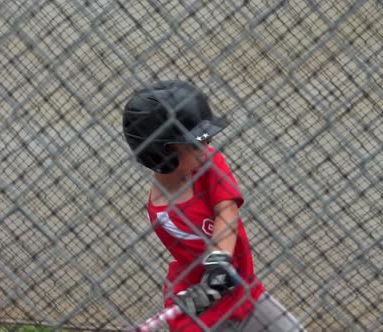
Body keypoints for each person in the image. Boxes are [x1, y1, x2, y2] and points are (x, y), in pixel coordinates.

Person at [122, 80, 304, 331]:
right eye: (194, 144)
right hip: (200, 304)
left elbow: (226, 210)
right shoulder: (163, 214)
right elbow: (189, 259)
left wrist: (219, 261)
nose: (205, 147)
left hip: (241, 287)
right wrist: (204, 289)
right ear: (160, 153)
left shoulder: (209, 164)